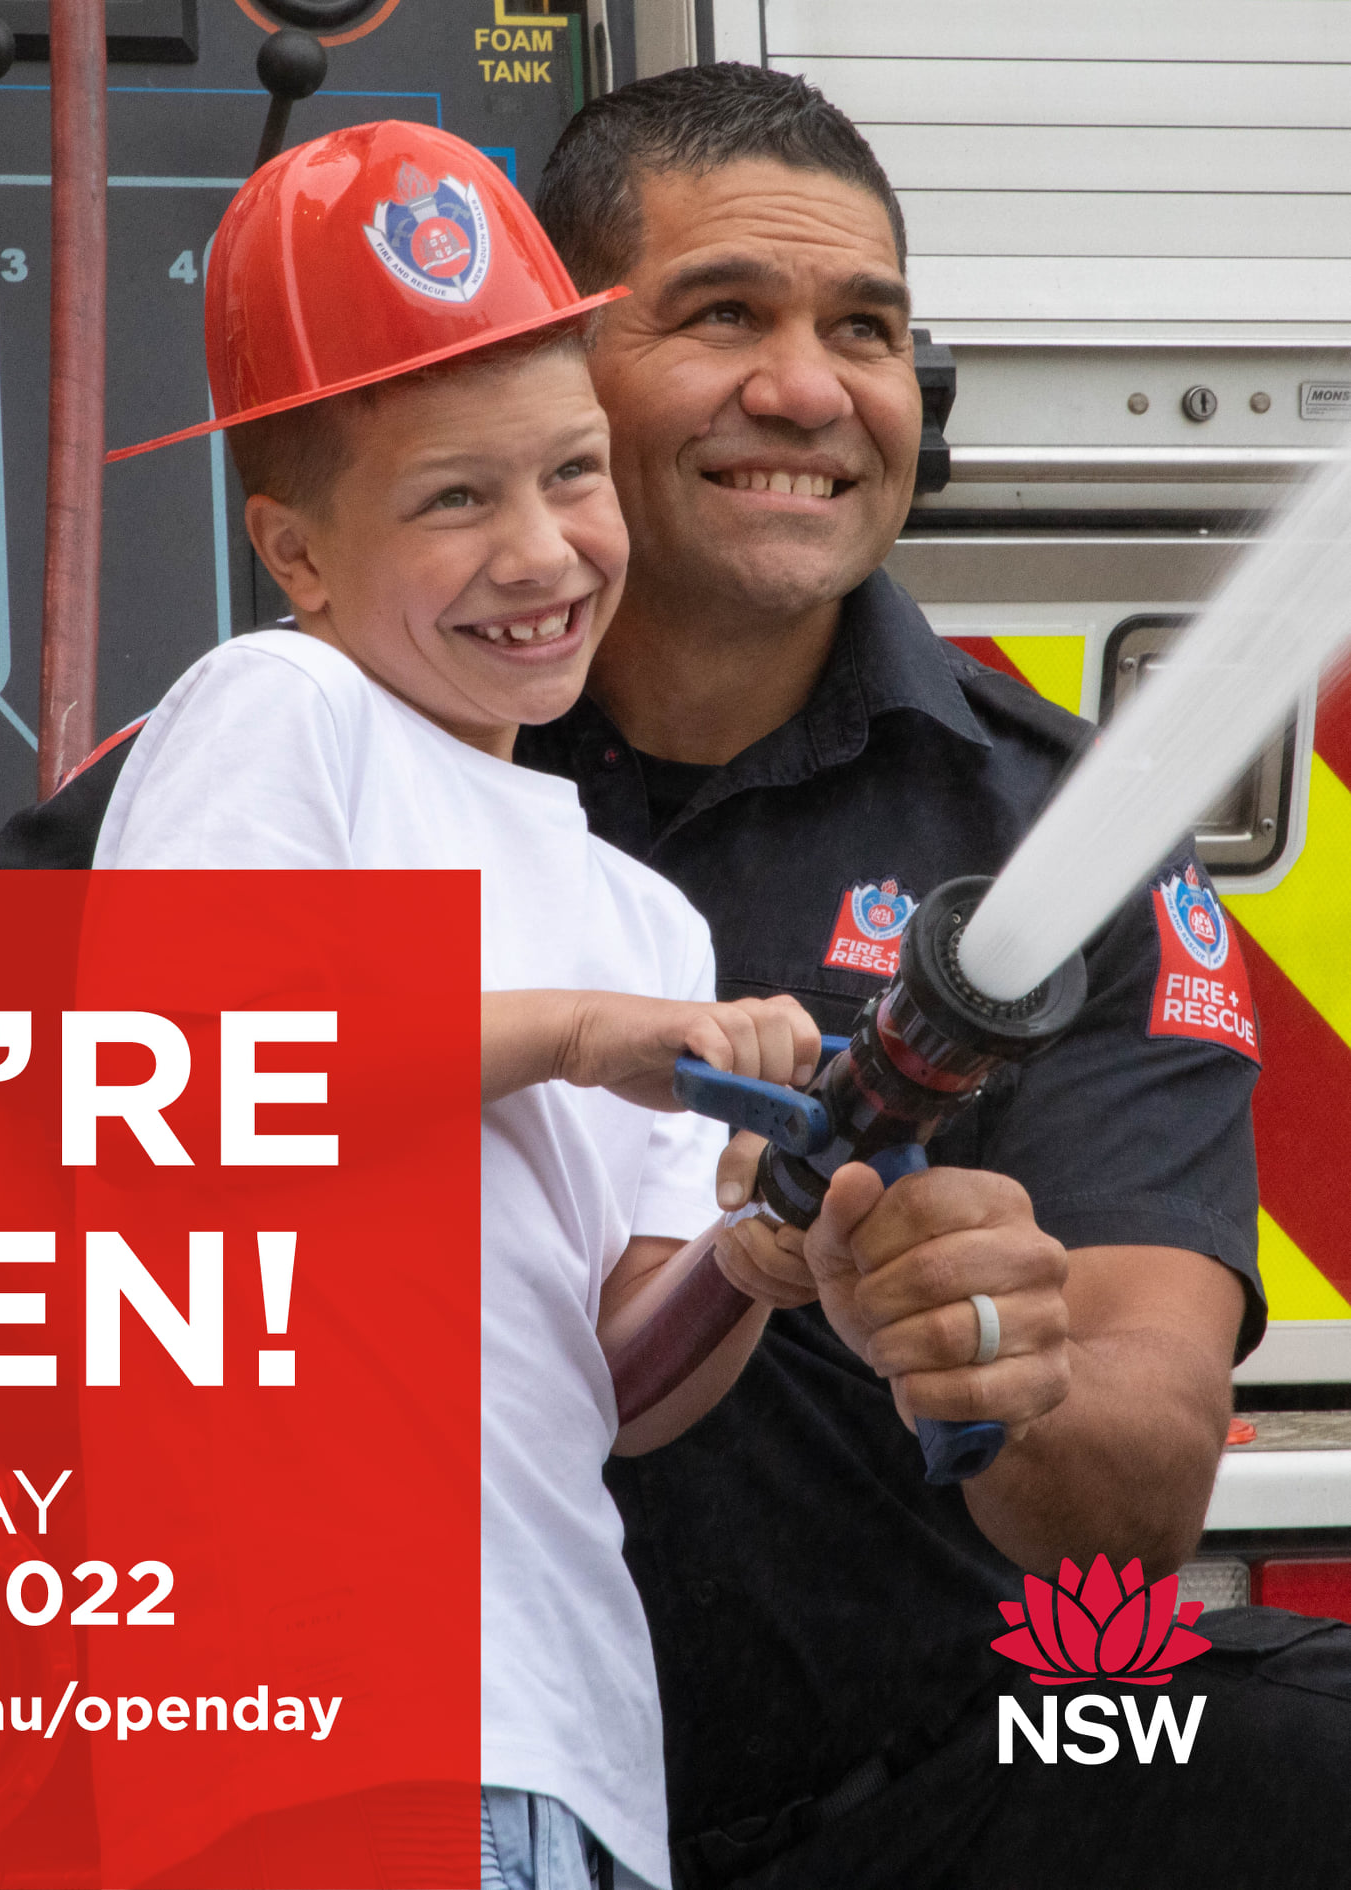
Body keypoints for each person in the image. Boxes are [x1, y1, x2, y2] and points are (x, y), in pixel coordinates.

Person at [518, 60, 1351, 1890]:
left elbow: (1131, 1506)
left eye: (866, 328)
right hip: (400, 1771)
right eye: (723, 312)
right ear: (546, 375)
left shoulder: (1055, 846)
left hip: (919, 1783)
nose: (809, 388)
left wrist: (1001, 1365)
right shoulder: (313, 775)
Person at [87, 119, 826, 1890]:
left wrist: (756, 1239)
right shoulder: (279, 711)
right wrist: (580, 1036)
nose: (543, 551)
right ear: (296, 557)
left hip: (563, 1755)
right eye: (452, 497)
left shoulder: (640, 915)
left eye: (570, 474)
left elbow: (626, 1388)